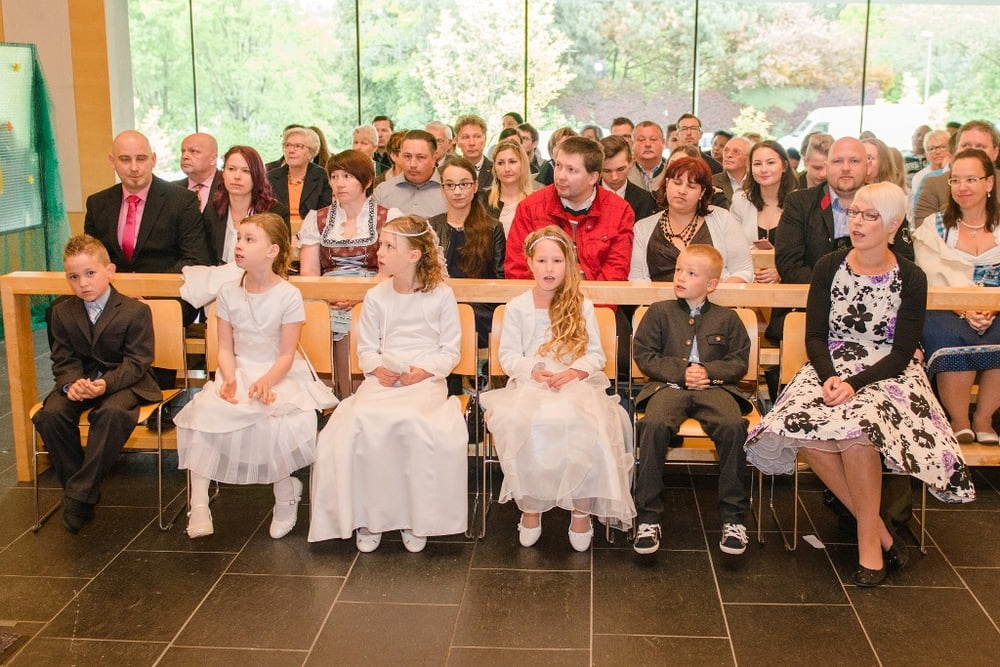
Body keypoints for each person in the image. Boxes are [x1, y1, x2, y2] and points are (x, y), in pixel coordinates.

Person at [747, 182, 974, 586]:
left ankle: (870, 549)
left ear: (894, 224)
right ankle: (882, 533)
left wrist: (855, 384)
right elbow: (815, 335)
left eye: (871, 216)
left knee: (858, 429)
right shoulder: (829, 266)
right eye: (855, 213)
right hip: (830, 364)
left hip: (888, 372)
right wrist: (830, 376)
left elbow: (902, 352)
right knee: (799, 425)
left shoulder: (911, 276)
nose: (858, 223)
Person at [308, 216, 468, 552]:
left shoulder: (441, 295)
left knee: (414, 422)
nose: (379, 252)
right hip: (383, 380)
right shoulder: (377, 296)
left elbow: (449, 351)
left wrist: (422, 372)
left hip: (425, 380)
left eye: (389, 246)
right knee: (360, 420)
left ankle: (414, 517)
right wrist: (379, 369)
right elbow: (366, 349)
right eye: (381, 244)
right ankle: (370, 516)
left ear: (414, 255)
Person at [481, 225, 635, 550]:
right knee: (524, 423)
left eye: (557, 261)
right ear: (529, 263)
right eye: (542, 261)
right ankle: (532, 506)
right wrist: (532, 369)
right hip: (531, 383)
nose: (549, 268)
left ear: (569, 264)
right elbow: (509, 356)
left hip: (574, 382)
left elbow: (596, 355)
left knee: (586, 423)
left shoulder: (582, 305)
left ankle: (581, 508)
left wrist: (575, 372)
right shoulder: (517, 307)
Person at [174, 213, 318, 540]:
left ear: (272, 251)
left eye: (249, 240)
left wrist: (265, 381)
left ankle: (285, 493)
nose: (239, 245)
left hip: (277, 372)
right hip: (237, 369)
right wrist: (228, 377)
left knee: (272, 421)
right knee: (205, 414)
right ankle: (198, 504)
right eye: (239, 238)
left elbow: (286, 354)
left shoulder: (288, 295)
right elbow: (225, 347)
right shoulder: (228, 292)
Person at [32, 235, 162, 534]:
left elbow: (138, 361)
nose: (83, 283)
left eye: (90, 273)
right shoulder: (62, 311)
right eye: (74, 277)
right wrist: (70, 384)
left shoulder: (135, 311)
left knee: (112, 413)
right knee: (50, 415)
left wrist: (105, 384)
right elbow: (63, 358)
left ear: (110, 270)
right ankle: (83, 491)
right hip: (81, 380)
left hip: (125, 382)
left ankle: (77, 496)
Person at [632, 244, 753, 556]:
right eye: (678, 270)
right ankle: (648, 517)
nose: (680, 277)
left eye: (690, 273)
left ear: (711, 284)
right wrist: (682, 372)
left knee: (732, 426)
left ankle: (733, 518)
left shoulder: (728, 318)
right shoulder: (659, 312)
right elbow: (645, 355)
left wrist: (709, 372)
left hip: (715, 389)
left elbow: (738, 362)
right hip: (667, 387)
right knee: (654, 425)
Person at [299, 149, 402, 397]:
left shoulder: (388, 217)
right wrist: (327, 296)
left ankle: (359, 397)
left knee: (359, 318)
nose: (339, 183)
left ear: (366, 181)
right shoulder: (317, 219)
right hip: (327, 295)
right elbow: (309, 271)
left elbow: (390, 270)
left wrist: (359, 296)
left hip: (375, 293)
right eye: (334, 176)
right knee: (318, 317)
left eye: (347, 176)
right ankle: (331, 396)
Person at [913, 148, 1000, 444]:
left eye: (971, 179)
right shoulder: (934, 226)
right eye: (956, 180)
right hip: (947, 308)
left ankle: (984, 418)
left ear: (989, 183)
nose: (962, 187)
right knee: (949, 333)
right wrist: (965, 309)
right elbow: (931, 274)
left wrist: (991, 308)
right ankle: (959, 419)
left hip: (997, 308)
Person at [84, 130, 209, 330]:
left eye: (141, 159)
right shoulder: (97, 203)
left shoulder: (182, 201)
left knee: (134, 317)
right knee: (59, 311)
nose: (134, 167)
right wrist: (118, 293)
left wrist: (146, 293)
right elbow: (91, 259)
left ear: (153, 159)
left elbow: (195, 259)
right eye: (125, 159)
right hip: (111, 294)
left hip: (168, 295)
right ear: (112, 161)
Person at [505, 136, 634, 282]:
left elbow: (616, 271)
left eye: (571, 170)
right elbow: (517, 268)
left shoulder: (619, 211)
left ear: (593, 177)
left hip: (597, 295)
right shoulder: (530, 207)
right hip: (541, 295)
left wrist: (586, 296)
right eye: (558, 166)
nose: (561, 176)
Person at [629, 157, 752, 283]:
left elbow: (743, 271)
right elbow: (636, 278)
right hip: (656, 295)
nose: (682, 191)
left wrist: (721, 291)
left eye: (691, 186)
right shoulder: (643, 228)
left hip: (714, 294)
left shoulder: (723, 219)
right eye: (677, 183)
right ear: (666, 184)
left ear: (702, 192)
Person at [428, 156, 505, 350]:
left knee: (467, 317)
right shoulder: (431, 226)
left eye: (464, 184)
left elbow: (499, 277)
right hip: (438, 304)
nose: (457, 191)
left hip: (480, 306)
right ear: (442, 189)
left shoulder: (493, 227)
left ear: (475, 186)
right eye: (450, 185)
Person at [205, 146, 290, 265]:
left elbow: (279, 261)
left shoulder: (276, 213)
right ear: (223, 173)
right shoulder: (213, 210)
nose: (237, 176)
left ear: (257, 176)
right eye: (231, 169)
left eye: (246, 171)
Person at [730, 140, 799, 284]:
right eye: (757, 164)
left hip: (788, 282)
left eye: (770, 163)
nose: (763, 169)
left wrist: (781, 272)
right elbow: (732, 248)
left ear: (785, 166)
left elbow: (806, 253)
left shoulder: (800, 202)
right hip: (749, 281)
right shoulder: (740, 201)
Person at [914, 120, 1000, 223]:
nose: (971, 152)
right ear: (955, 150)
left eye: (980, 147)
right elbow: (923, 229)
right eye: (966, 146)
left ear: (995, 153)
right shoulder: (932, 185)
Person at [266, 127, 333, 231]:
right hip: (278, 231)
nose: (291, 150)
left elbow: (326, 214)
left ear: (311, 153)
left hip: (312, 232)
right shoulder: (271, 177)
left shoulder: (322, 177)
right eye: (287, 145)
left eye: (298, 146)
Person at [372, 129, 446, 218]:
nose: (412, 164)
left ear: (434, 159)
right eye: (407, 156)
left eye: (421, 157)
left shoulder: (450, 191)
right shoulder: (382, 192)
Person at [483, 138, 537, 235]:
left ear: (523, 164)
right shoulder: (483, 201)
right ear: (494, 168)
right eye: (500, 163)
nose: (507, 169)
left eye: (512, 162)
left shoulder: (536, 202)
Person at [600, 135, 658, 222]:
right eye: (607, 171)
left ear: (631, 162)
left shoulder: (646, 200)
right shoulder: (585, 197)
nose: (614, 177)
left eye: (620, 169)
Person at [174, 132, 219, 212]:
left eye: (193, 151)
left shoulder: (229, 186)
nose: (184, 156)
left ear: (213, 158)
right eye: (183, 151)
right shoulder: (172, 190)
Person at [910, 130, 952, 212]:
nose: (938, 152)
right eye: (932, 148)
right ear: (926, 154)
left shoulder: (958, 172)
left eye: (943, 147)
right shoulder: (920, 177)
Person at [628, 121, 667, 193]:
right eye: (641, 140)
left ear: (663, 142)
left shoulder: (672, 171)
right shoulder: (624, 172)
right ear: (632, 144)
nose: (648, 144)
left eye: (653, 139)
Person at [455, 114, 492, 189]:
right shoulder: (448, 171)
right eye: (465, 137)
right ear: (457, 141)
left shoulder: (496, 171)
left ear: (485, 140)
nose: (472, 143)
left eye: (477, 137)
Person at [712, 136, 751, 208]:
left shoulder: (757, 182)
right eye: (726, 151)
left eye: (736, 152)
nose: (728, 155)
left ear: (748, 159)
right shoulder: (712, 182)